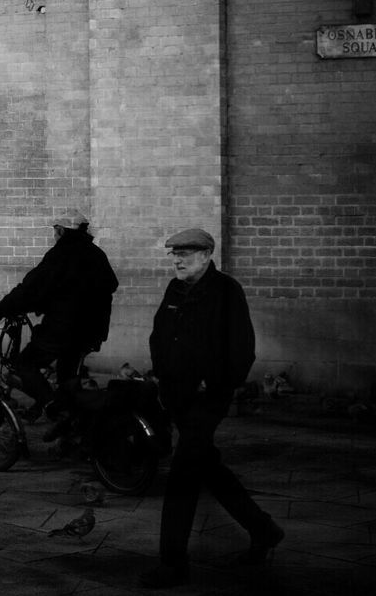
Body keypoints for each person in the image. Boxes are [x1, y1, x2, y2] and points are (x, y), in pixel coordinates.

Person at [140, 228, 284, 589]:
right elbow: (160, 334)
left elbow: (242, 348)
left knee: (183, 474)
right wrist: (161, 373)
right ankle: (263, 530)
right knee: (209, 467)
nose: (177, 260)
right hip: (177, 397)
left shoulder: (226, 291)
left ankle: (173, 563)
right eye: (174, 254)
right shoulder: (175, 289)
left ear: (206, 255)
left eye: (185, 254)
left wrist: (217, 384)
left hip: (207, 400)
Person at [0, 209, 119, 423]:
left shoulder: (60, 254)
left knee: (25, 364)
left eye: (55, 231)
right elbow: (110, 284)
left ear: (60, 230)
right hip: (91, 332)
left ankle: (52, 406)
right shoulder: (96, 254)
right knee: (67, 378)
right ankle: (76, 426)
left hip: (62, 330)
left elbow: (31, 288)